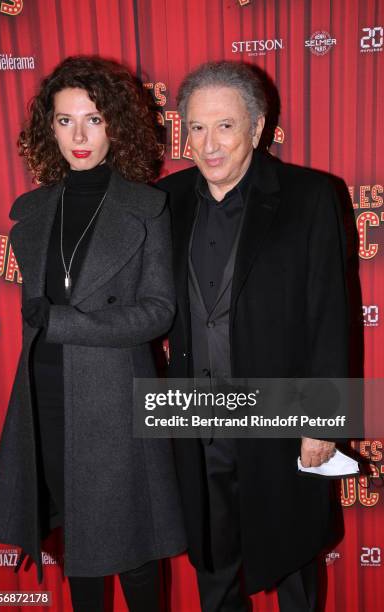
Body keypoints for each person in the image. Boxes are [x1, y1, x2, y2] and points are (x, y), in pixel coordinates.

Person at [0, 55, 185, 612]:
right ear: (48, 127)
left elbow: (157, 313)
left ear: (115, 124)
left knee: (134, 549)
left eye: (93, 119)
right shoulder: (34, 211)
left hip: (115, 395)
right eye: (65, 120)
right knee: (77, 539)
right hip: (47, 395)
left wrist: (68, 321)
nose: (79, 135)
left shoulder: (148, 208)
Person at [157, 61, 348, 612]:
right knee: (212, 565)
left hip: (282, 417)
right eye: (196, 127)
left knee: (292, 562)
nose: (208, 144)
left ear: (258, 128)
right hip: (195, 417)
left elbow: (329, 317)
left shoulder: (311, 197)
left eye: (225, 126)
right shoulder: (165, 202)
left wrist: (323, 422)